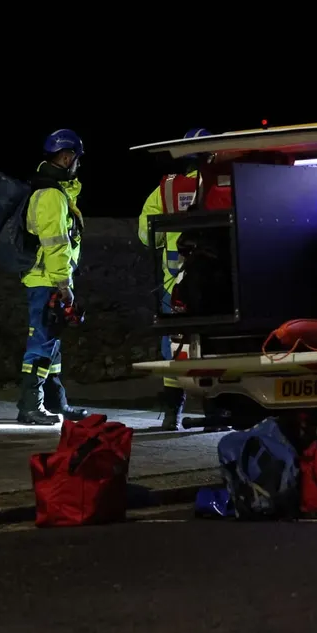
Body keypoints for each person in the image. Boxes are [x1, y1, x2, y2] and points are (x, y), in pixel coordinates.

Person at [16, 129, 93, 425]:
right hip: (46, 279)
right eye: (76, 158)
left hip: (47, 277)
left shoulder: (52, 190)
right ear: (66, 156)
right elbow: (55, 242)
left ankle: (56, 403)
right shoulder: (51, 195)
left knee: (52, 344)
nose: (78, 164)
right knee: (41, 342)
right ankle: (29, 406)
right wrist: (63, 284)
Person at [137, 128, 211, 430]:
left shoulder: (165, 189)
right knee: (210, 345)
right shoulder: (220, 183)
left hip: (173, 282)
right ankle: (215, 412)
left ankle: (171, 415)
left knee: (174, 347)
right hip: (211, 282)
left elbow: (145, 234)